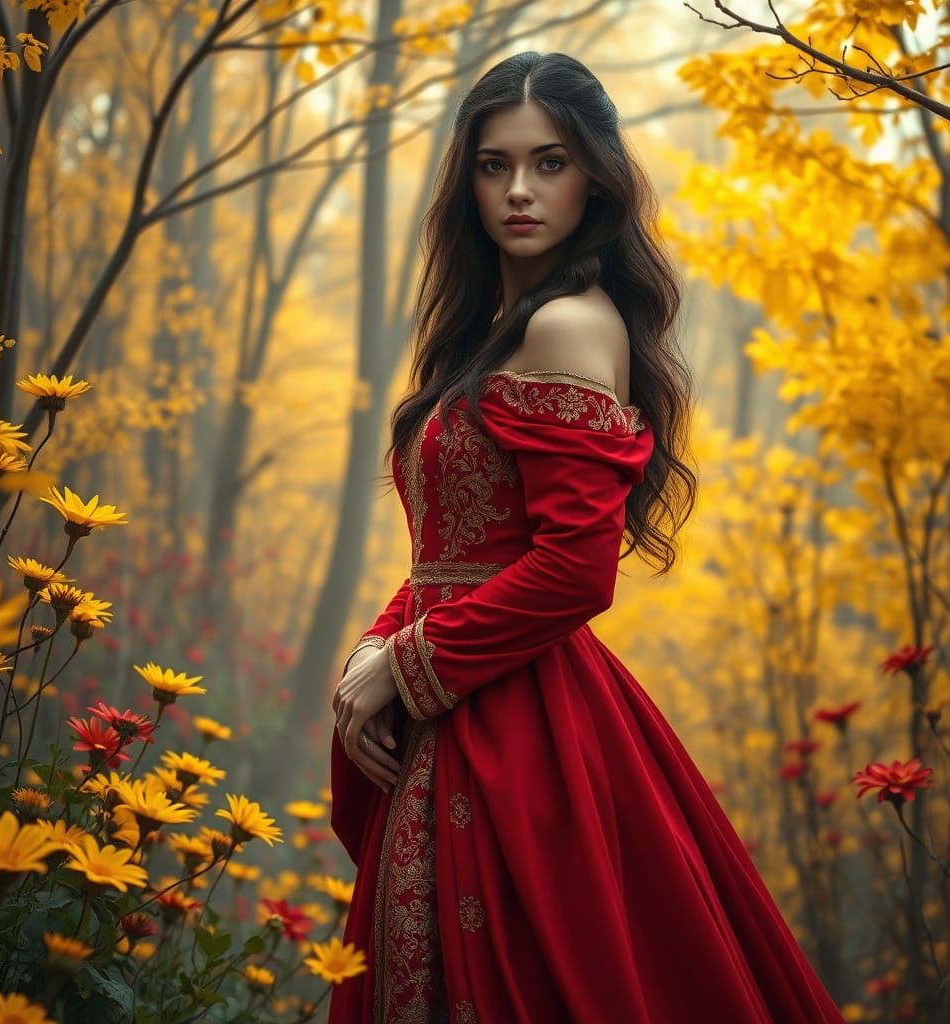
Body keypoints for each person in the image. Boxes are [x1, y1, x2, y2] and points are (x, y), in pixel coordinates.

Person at [329, 51, 844, 1024]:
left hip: (518, 726)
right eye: (493, 164)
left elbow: (574, 569)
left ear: (594, 176)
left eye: (549, 162)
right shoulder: (498, 330)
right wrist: (375, 646)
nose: (518, 189)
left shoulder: (566, 324)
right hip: (465, 698)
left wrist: (405, 663)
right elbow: (452, 552)